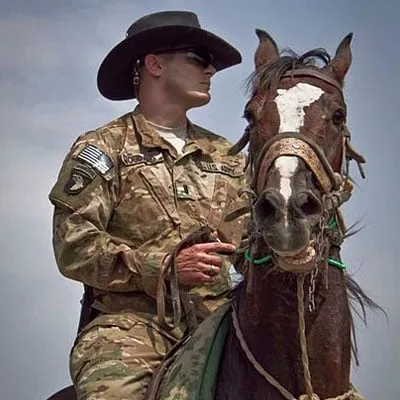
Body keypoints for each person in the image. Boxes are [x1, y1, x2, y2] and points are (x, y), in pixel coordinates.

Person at [49, 10, 247, 400]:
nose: (210, 69)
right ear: (154, 64)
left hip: (223, 324)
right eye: (198, 57)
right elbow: (73, 247)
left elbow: (254, 247)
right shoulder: (104, 148)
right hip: (130, 329)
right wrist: (166, 267)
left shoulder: (229, 156)